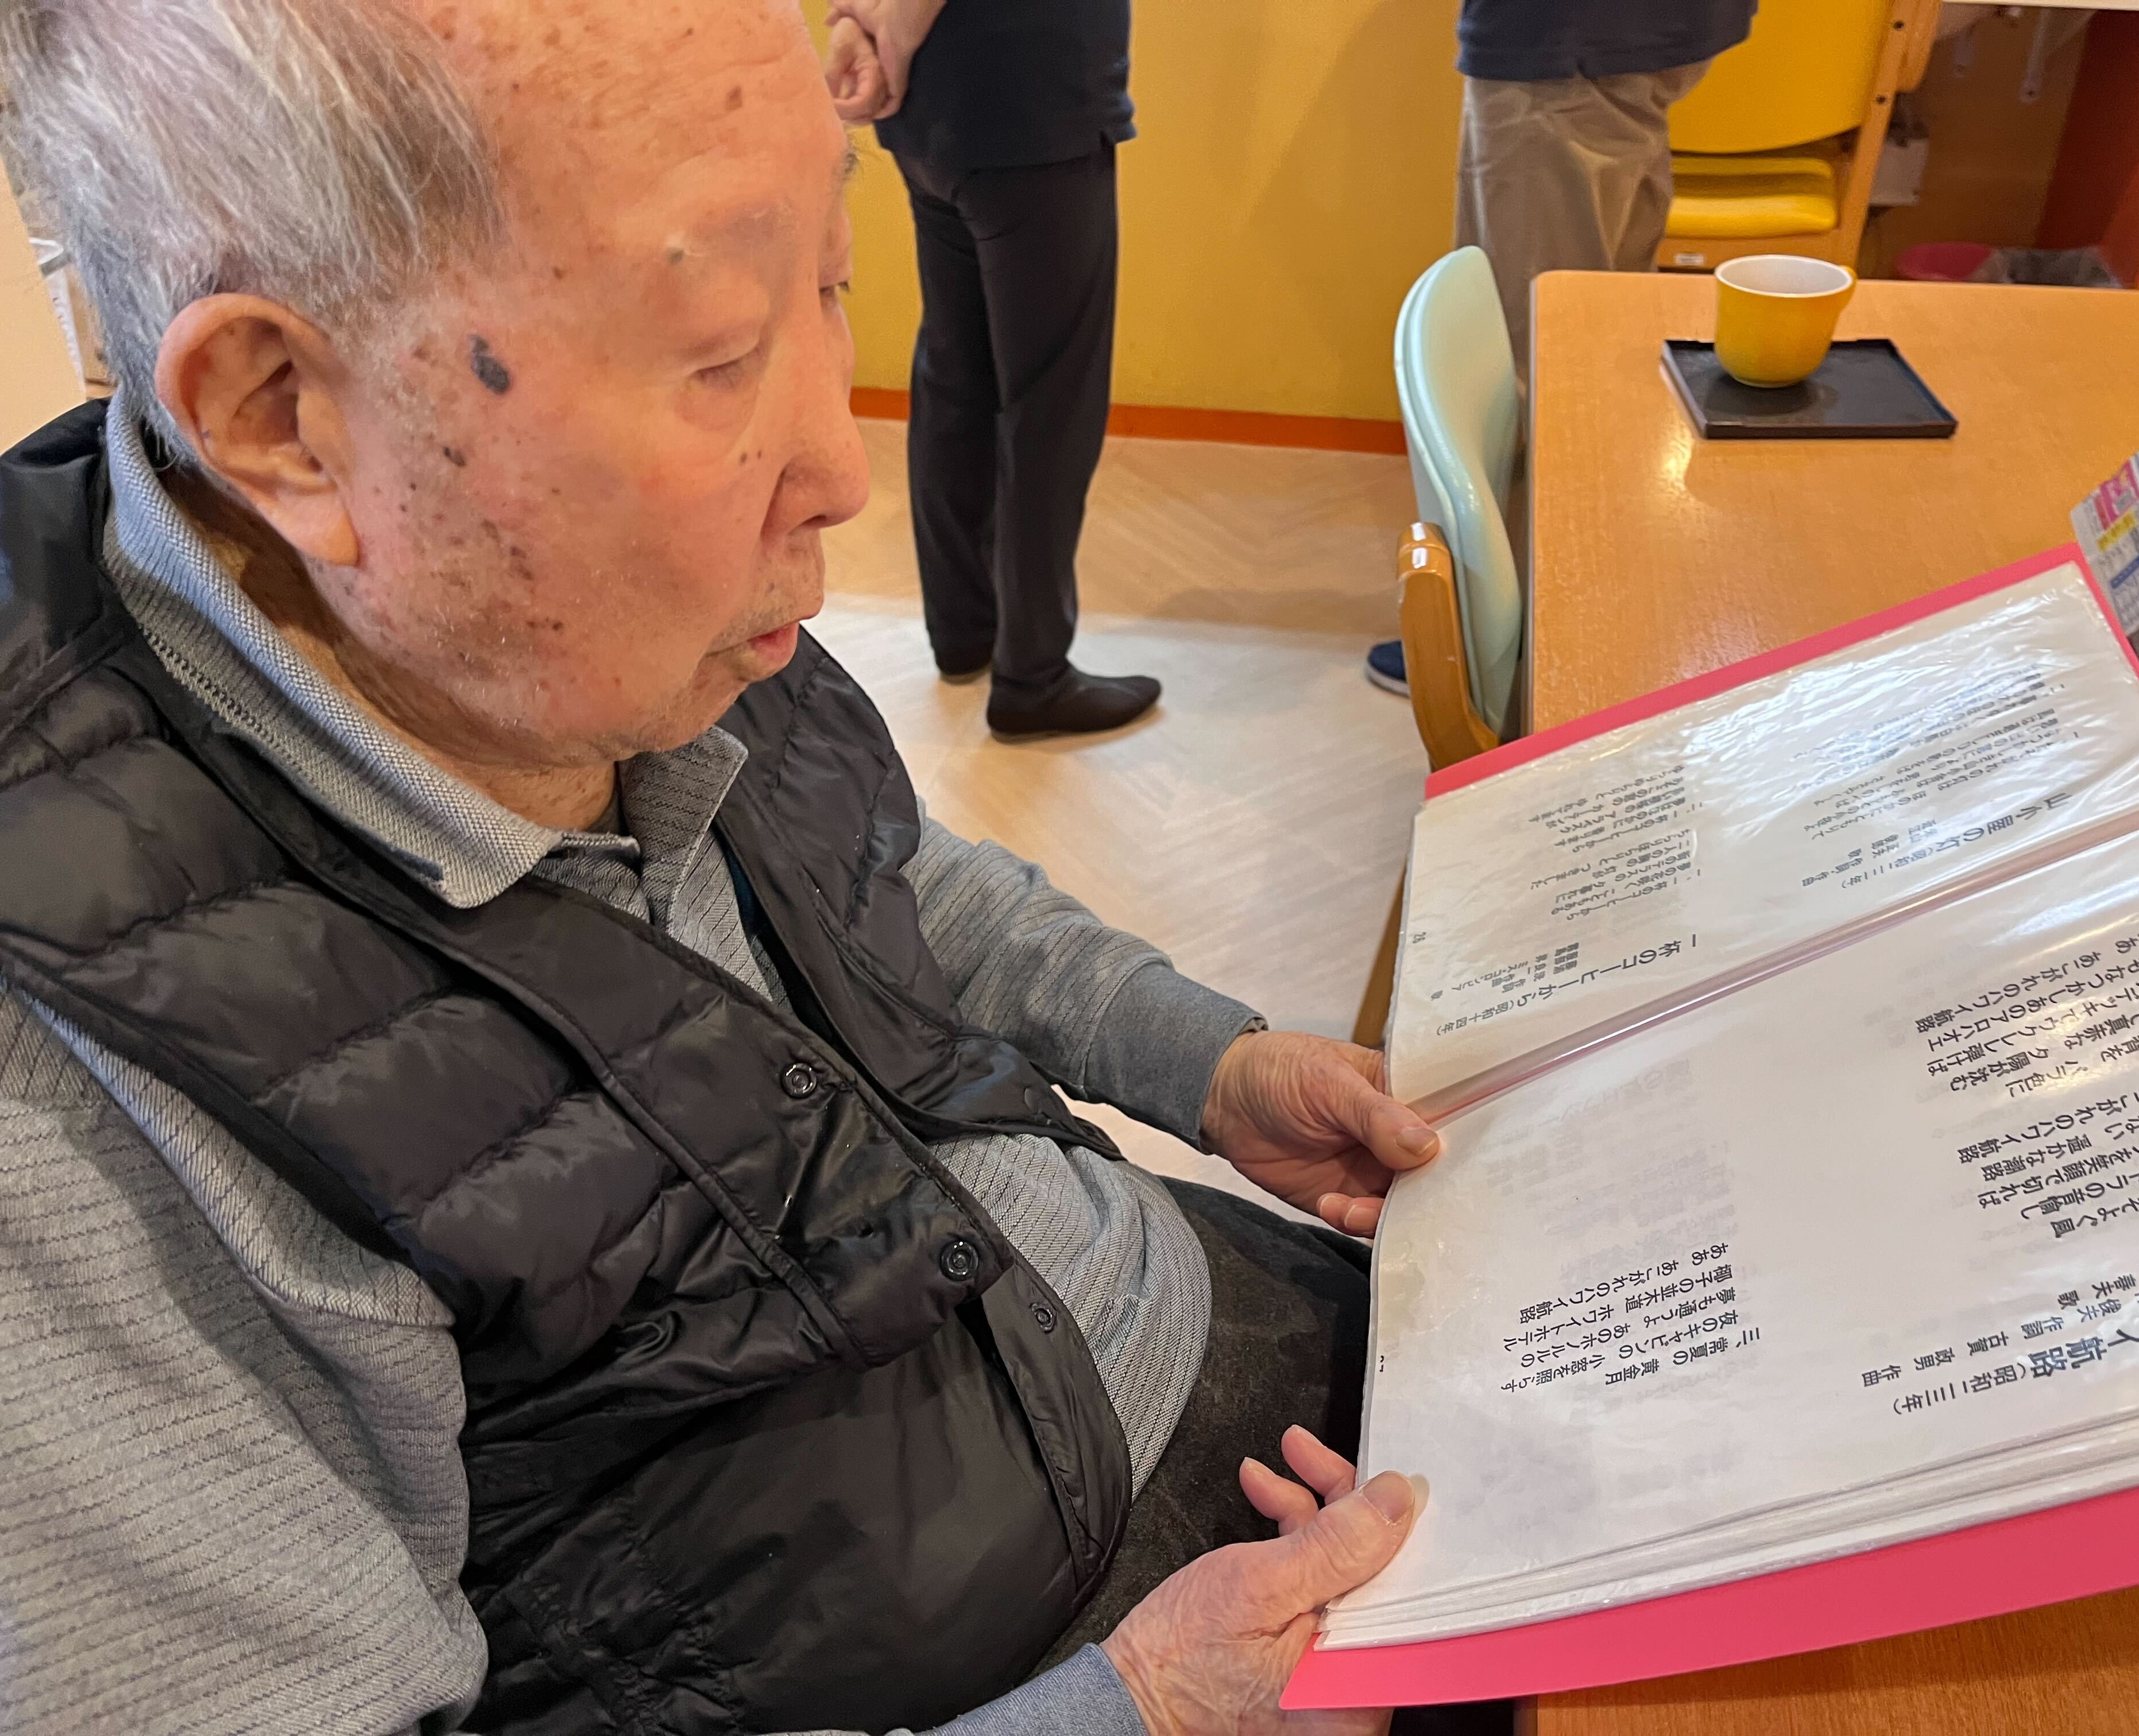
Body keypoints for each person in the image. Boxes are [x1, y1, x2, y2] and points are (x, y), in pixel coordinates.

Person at [0, 1, 1483, 1731]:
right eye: (716, 357)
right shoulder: (75, 1139)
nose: (839, 469)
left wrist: (1205, 1063)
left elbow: (873, 876)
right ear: (285, 416)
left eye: (834, 284)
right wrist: (1135, 1708)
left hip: (1194, 1331)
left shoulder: (593, 620)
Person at [1365, 0, 1754, 700]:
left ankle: (1515, 659)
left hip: (1561, 39)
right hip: (1654, 32)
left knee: (1532, 373)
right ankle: (1589, 618)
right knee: (1599, 349)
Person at [821, 0, 1160, 740]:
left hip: (934, 106)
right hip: (1034, 90)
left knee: (957, 371)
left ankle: (964, 631)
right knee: (1050, 400)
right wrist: (896, 27)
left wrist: (859, 20)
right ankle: (1034, 676)